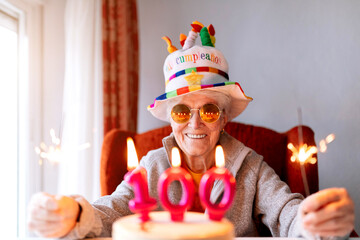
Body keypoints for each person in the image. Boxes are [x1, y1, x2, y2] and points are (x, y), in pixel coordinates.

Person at [27, 21, 355, 239]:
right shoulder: (151, 166)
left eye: (209, 110)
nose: (195, 123)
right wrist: (72, 212)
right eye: (182, 111)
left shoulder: (251, 167)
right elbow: (105, 214)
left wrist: (315, 222)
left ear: (225, 118)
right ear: (170, 119)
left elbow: (288, 214)